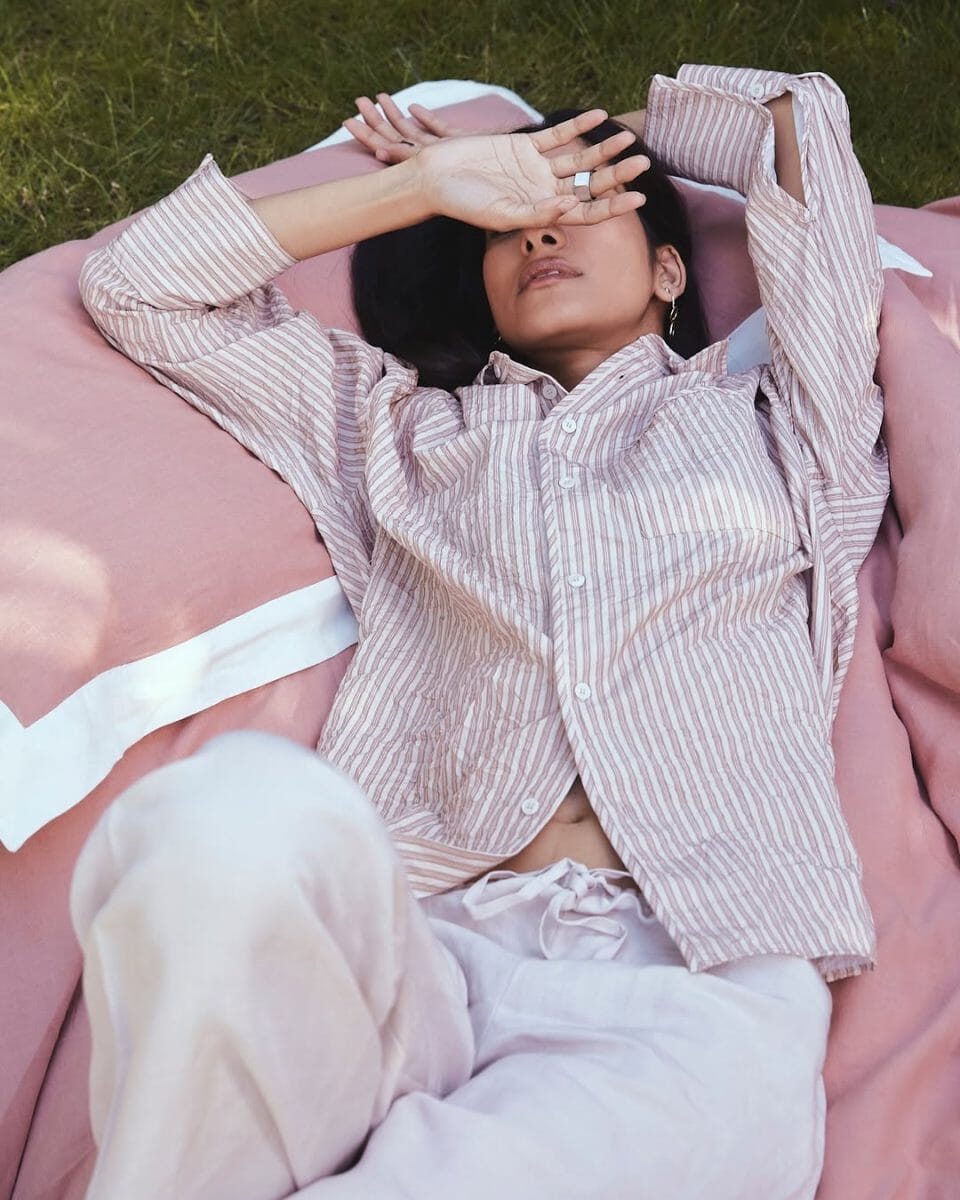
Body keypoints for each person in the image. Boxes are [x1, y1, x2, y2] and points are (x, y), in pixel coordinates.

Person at [72, 64, 888, 1200]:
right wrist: (432, 184)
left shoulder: (787, 423)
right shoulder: (399, 433)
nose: (541, 228)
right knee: (217, 816)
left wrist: (559, 140)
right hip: (414, 944)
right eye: (511, 223)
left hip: (691, 980)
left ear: (667, 271)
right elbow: (137, 287)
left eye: (584, 202)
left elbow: (797, 116)